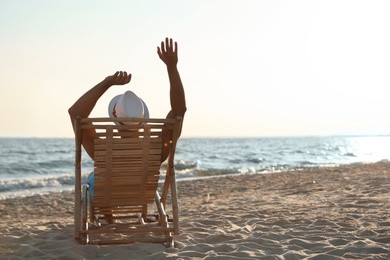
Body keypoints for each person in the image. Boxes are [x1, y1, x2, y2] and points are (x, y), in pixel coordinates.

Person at [68, 37, 186, 201]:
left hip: (108, 197)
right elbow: (180, 111)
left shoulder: (102, 150)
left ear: (115, 119)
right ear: (143, 118)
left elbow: (76, 113)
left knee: (94, 178)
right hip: (141, 197)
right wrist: (172, 68)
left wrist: (106, 83)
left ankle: (109, 218)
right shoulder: (158, 149)